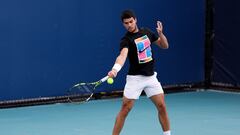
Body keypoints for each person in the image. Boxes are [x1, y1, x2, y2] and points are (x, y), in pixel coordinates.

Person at [108, 10, 171, 135]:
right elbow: (122, 56)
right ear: (123, 24)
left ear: (135, 20)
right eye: (126, 23)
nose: (129, 25)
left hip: (151, 77)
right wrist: (115, 69)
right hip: (135, 79)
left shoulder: (147, 32)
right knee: (125, 109)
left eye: (131, 21)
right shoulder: (125, 40)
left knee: (162, 106)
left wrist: (161, 34)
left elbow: (164, 46)